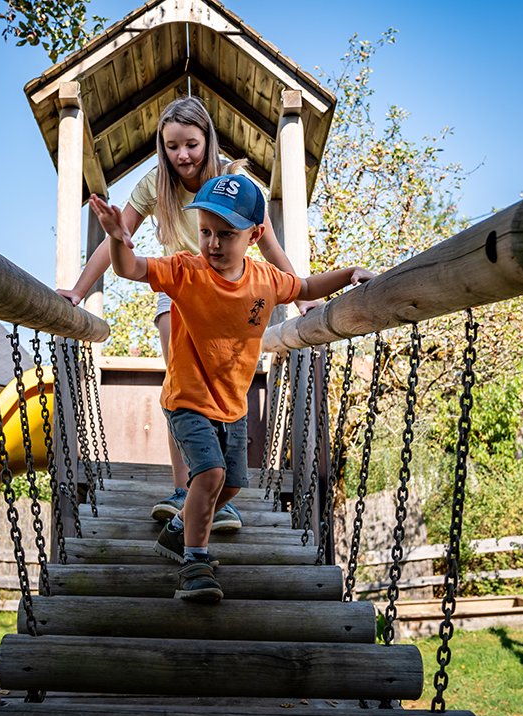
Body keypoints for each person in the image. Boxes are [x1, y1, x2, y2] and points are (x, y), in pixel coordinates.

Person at [92, 174, 374, 602]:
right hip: (187, 399)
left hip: (233, 404)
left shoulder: (265, 280)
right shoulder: (185, 271)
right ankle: (194, 563)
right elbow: (129, 268)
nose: (213, 243)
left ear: (254, 236)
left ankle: (177, 529)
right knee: (210, 474)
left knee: (232, 486)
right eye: (206, 231)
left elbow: (306, 287)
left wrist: (350, 273)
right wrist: (118, 239)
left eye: (226, 234)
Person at [57, 96, 317, 531]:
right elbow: (117, 239)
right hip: (179, 288)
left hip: (228, 295)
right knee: (184, 388)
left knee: (223, 389)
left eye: (191, 144)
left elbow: (269, 243)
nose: (182, 155)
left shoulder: (233, 181)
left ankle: (214, 494)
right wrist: (80, 291)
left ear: (207, 140)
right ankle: (185, 489)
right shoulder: (156, 183)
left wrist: (300, 295)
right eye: (172, 145)